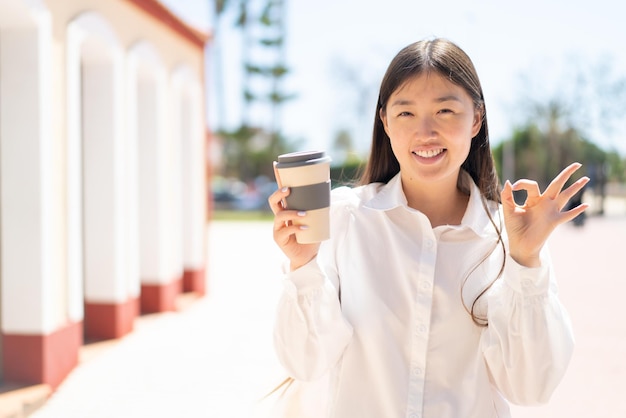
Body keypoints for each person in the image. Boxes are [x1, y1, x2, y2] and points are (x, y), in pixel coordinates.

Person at [267, 38, 589, 418]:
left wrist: (525, 262)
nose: (425, 132)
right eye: (406, 114)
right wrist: (303, 267)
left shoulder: (508, 237)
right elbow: (305, 364)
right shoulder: (345, 220)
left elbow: (530, 388)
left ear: (476, 119)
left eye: (446, 111)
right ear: (384, 121)